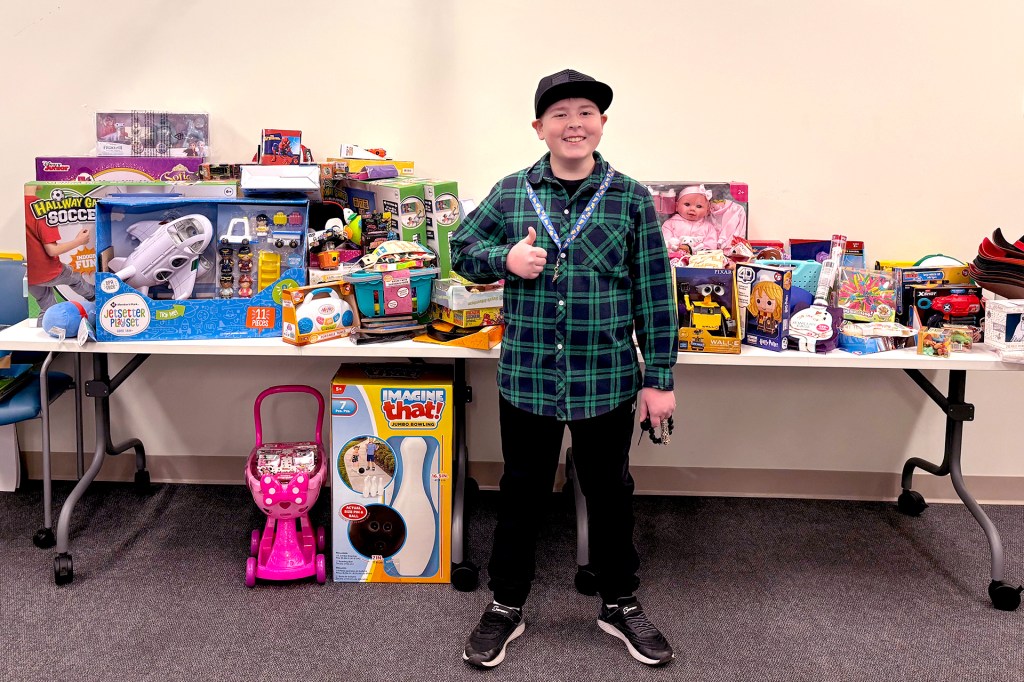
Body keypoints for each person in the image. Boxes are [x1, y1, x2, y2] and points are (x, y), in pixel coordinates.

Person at [451, 68, 678, 669]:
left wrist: (659, 379)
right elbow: (460, 250)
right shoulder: (510, 192)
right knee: (521, 491)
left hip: (606, 378)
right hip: (528, 376)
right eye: (560, 114)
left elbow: (655, 293)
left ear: (602, 124)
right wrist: (505, 258)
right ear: (539, 127)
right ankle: (507, 603)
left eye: (585, 113)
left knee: (610, 492)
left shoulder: (630, 197)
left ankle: (619, 602)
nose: (573, 124)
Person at [25, 215, 94, 320]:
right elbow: (52, 250)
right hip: (49, 271)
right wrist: (79, 241)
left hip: (30, 275)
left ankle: (44, 327)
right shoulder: (42, 213)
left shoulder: (26, 210)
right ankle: (94, 296)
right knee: (75, 278)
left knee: (48, 309)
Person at [661, 184, 747, 252]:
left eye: (699, 206)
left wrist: (698, 250)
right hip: (676, 257)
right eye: (687, 204)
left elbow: (711, 245)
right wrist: (675, 246)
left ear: (707, 210)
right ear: (676, 206)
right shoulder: (669, 224)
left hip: (700, 261)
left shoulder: (708, 227)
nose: (692, 209)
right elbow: (665, 240)